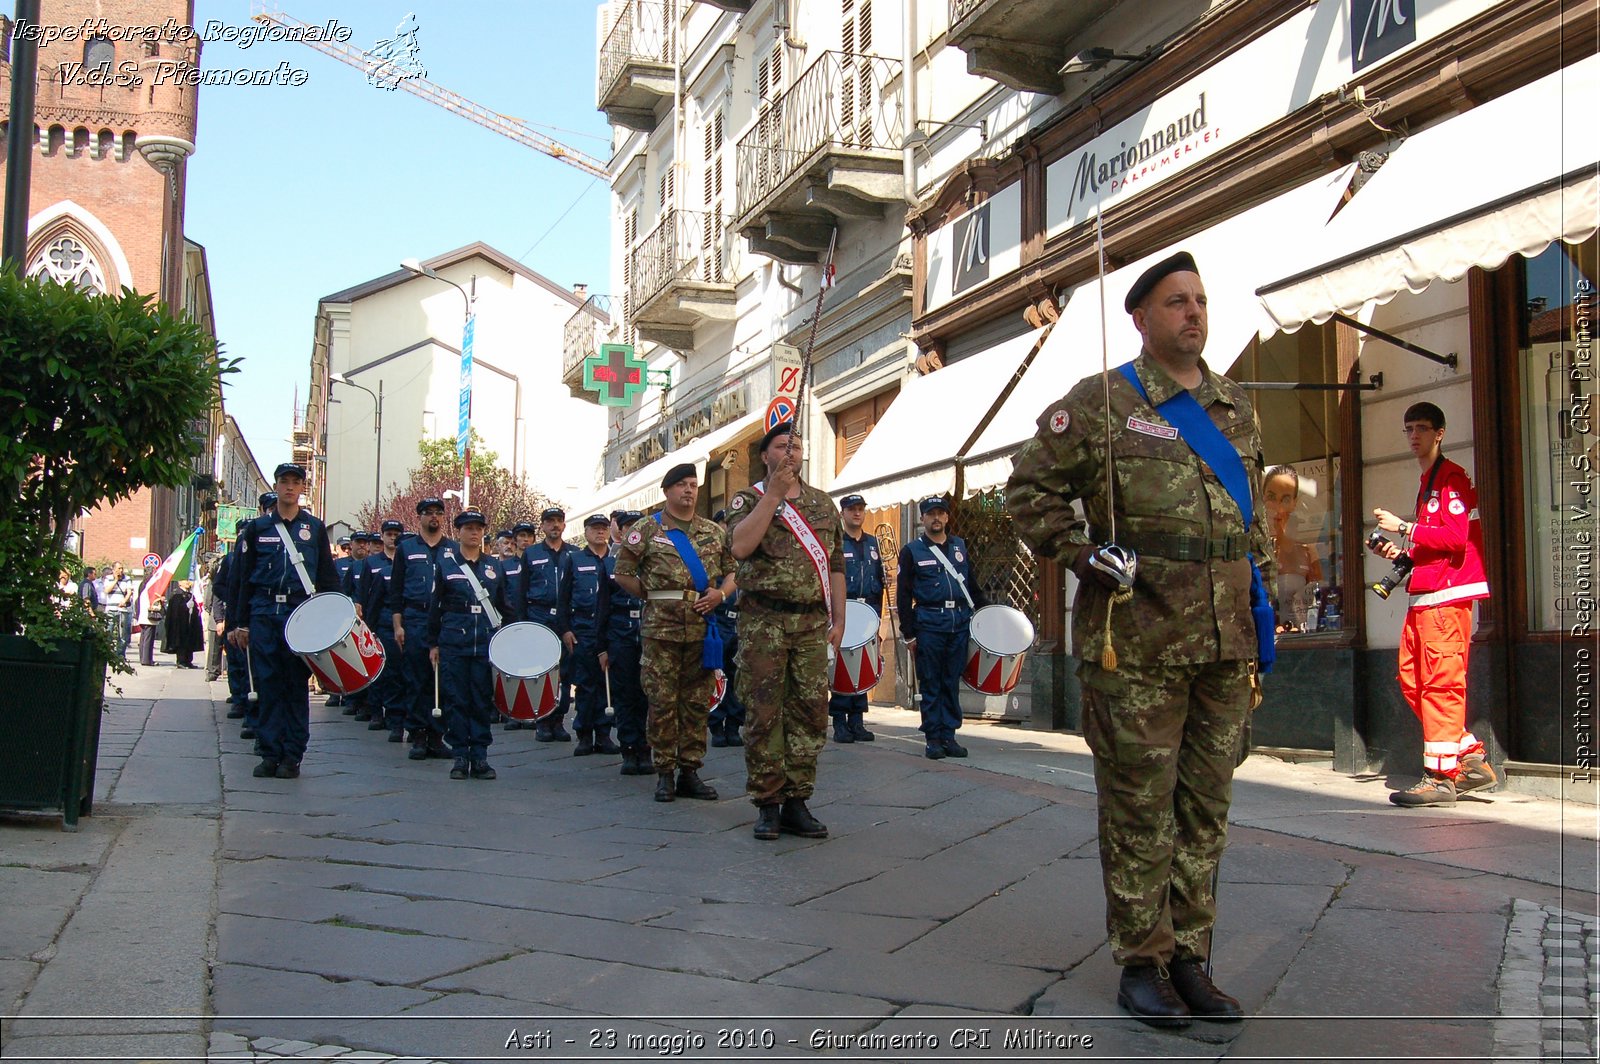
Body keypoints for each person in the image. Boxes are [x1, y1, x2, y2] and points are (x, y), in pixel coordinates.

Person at [1007, 250, 1273, 1028]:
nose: (1193, 312)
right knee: (1139, 809)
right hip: (1140, 646)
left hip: (1224, 648)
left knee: (1205, 810)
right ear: (1142, 318)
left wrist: (1262, 620)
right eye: (1175, 302)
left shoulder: (1234, 408)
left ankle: (1191, 956)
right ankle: (1142, 960)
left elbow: (1247, 525)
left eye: (1199, 300)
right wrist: (1085, 554)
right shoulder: (1102, 403)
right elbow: (1028, 493)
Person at [1371, 401, 1496, 806]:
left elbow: (1455, 539)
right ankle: (1470, 757)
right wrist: (1397, 553)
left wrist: (1404, 526)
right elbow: (1432, 543)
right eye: (1408, 429)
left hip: (1444, 600)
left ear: (1439, 433)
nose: (1413, 436)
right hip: (1426, 597)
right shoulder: (1430, 480)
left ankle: (1440, 778)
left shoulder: (1451, 479)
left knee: (1440, 686)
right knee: (1413, 681)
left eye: (1421, 429)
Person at [726, 424, 845, 840]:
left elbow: (835, 566)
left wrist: (840, 619)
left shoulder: (822, 505)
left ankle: (798, 799)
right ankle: (768, 803)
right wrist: (774, 496)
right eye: (781, 446)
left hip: (811, 623)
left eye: (796, 445)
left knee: (810, 712)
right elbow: (739, 547)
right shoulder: (748, 500)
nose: (791, 452)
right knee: (763, 712)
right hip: (764, 622)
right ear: (765, 455)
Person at [612, 464, 735, 803]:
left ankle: (691, 770)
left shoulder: (713, 531)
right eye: (681, 485)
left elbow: (733, 573)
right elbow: (623, 573)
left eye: (694, 485)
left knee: (697, 703)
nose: (689, 491)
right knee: (662, 703)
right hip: (660, 633)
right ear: (666, 491)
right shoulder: (646, 530)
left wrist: (720, 595)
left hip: (701, 630)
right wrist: (652, 596)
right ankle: (665, 772)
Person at [227, 463, 340, 779]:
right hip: (264, 612)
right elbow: (242, 580)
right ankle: (269, 753)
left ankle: (292, 754)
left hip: (299, 614)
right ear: (276, 486)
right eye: (284, 482)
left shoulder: (314, 529)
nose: (289, 487)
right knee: (267, 683)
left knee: (294, 685)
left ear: (302, 488)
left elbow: (328, 577)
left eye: (295, 482)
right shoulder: (257, 529)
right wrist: (240, 622)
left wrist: (339, 612)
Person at [896, 497, 988, 760]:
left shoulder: (960, 546)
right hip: (929, 623)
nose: (936, 518)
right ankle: (933, 738)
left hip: (957, 623)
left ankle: (949, 735)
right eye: (930, 514)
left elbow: (971, 583)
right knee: (931, 682)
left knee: (951, 682)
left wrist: (988, 613)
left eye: (940, 513)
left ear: (947, 518)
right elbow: (903, 596)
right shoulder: (912, 551)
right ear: (923, 519)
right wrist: (909, 633)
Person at [429, 510, 512, 780]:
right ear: (459, 532)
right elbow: (435, 607)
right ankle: (459, 756)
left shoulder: (494, 566)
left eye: (478, 528)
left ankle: (480, 756)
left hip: (484, 644)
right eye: (468, 528)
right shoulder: (447, 565)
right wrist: (433, 643)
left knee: (480, 700)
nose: (474, 533)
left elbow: (504, 606)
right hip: (454, 642)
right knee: (456, 700)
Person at [387, 499, 457, 761]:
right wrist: (398, 625)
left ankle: (437, 736)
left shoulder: (452, 549)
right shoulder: (406, 548)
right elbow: (396, 591)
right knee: (416, 679)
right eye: (428, 514)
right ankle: (417, 734)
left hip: (445, 619)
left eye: (439, 513)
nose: (434, 518)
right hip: (415, 617)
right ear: (419, 518)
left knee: (441, 680)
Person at [557, 514, 624, 756]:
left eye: (603, 528)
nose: (600, 532)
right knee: (585, 685)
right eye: (595, 528)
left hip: (609, 631)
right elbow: (563, 598)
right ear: (585, 532)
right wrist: (565, 629)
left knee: (607, 685)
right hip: (582, 630)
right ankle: (584, 734)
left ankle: (604, 734)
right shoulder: (574, 560)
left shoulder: (617, 561)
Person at [829, 493, 886, 743]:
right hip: (844, 608)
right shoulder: (836, 543)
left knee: (863, 664)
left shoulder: (873, 543)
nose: (857, 513)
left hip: (868, 609)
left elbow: (880, 580)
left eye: (861, 509)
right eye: (851, 509)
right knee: (843, 664)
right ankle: (840, 720)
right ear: (842, 513)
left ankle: (858, 720)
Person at [598, 510, 651, 775]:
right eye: (628, 526)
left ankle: (647, 748)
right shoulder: (608, 564)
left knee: (649, 695)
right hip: (620, 635)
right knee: (624, 695)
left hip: (650, 633)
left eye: (637, 526)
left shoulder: (654, 560)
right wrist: (602, 647)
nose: (633, 531)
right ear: (620, 530)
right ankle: (629, 750)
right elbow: (602, 608)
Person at [522, 507, 575, 742]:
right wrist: (522, 626)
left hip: (564, 619)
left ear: (564, 525)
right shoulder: (532, 553)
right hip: (539, 615)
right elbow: (521, 590)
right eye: (550, 521)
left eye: (559, 521)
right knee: (542, 671)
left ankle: (558, 719)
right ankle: (542, 720)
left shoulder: (573, 553)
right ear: (542, 526)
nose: (555, 525)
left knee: (564, 672)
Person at [360, 520, 408, 740]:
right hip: (386, 626)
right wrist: (368, 631)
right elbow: (372, 601)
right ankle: (383, 714)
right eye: (389, 534)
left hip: (412, 626)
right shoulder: (380, 569)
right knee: (386, 673)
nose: (392, 538)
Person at [1263, 466, 1325, 631]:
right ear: (1261, 499)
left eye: (1285, 499)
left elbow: (1319, 592)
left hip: (1297, 631)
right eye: (1271, 497)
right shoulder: (1254, 545)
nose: (1277, 506)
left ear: (1294, 503)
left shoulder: (1307, 549)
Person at [707, 509, 745, 749]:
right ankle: (716, 726)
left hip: (740, 623)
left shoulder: (745, 553)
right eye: (723, 524)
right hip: (718, 622)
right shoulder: (713, 557)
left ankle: (734, 725)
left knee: (738, 678)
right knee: (717, 676)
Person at [213, 521, 251, 727]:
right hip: (235, 615)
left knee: (250, 664)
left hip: (254, 616)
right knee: (236, 661)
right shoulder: (231, 559)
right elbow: (218, 585)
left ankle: (249, 702)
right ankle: (238, 699)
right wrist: (235, 598)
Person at [162, 579, 204, 668]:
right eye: (185, 580)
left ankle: (188, 660)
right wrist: (185, 607)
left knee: (189, 641)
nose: (188, 582)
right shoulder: (177, 594)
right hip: (179, 624)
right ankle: (181, 661)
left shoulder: (190, 594)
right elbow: (176, 610)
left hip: (189, 623)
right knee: (180, 642)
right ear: (179, 582)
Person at [102, 562, 134, 658]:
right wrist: (116, 580)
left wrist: (124, 601)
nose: (121, 570)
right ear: (113, 569)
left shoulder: (127, 579)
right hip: (110, 609)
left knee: (122, 634)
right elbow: (107, 590)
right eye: (119, 568)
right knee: (108, 632)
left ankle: (120, 654)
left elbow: (129, 592)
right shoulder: (108, 578)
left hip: (122, 609)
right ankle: (107, 653)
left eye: (122, 568)